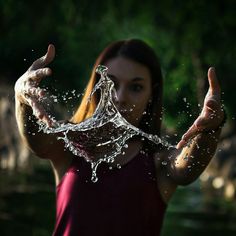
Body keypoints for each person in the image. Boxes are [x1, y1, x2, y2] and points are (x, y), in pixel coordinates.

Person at [15, 39, 225, 236]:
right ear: (96, 87)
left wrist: (211, 128)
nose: (120, 97)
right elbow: (37, 143)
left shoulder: (158, 160)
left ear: (151, 94)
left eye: (135, 87)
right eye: (111, 83)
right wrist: (22, 99)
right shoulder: (70, 143)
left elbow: (185, 170)